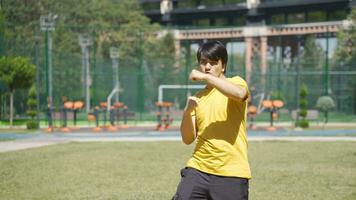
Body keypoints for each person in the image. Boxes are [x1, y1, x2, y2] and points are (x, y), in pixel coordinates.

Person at [172, 41, 251, 200]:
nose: (207, 67)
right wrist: (188, 111)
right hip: (198, 168)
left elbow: (239, 94)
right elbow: (187, 139)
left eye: (213, 63)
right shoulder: (199, 97)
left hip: (231, 172)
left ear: (223, 66)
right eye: (203, 62)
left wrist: (206, 77)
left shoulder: (236, 82)